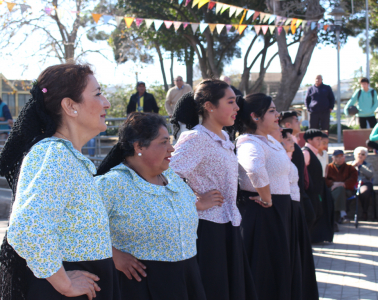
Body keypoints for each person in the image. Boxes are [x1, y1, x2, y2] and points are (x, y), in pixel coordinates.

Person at [0, 64, 120, 300]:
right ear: (70, 106)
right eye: (97, 94)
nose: (106, 102)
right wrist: (64, 284)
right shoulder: (56, 155)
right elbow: (27, 227)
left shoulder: (66, 156)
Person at [95, 113, 206, 300]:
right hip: (140, 285)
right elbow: (79, 227)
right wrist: (113, 255)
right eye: (163, 142)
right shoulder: (112, 184)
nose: (171, 149)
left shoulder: (171, 178)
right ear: (139, 146)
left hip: (186, 278)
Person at [170, 79, 257, 300]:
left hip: (228, 224)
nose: (237, 108)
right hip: (207, 228)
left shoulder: (225, 137)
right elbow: (166, 176)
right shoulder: (196, 137)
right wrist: (196, 201)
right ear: (209, 106)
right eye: (230, 102)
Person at [234, 94, 294, 300]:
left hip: (277, 212)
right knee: (265, 274)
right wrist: (267, 198)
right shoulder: (248, 141)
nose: (277, 114)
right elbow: (254, 168)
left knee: (277, 270)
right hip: (263, 213)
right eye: (271, 111)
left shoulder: (268, 140)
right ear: (255, 116)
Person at [281, 128, 319, 300]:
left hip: (296, 204)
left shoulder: (290, 156)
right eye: (289, 139)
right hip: (289, 206)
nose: (293, 142)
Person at [280, 111, 317, 229]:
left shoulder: (294, 143)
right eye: (296, 120)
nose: (299, 123)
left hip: (300, 190)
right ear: (287, 125)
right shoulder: (285, 144)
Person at [326, 150, 358, 224]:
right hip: (331, 189)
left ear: (344, 157)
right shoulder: (328, 168)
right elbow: (324, 180)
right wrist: (332, 184)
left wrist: (343, 184)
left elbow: (353, 179)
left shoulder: (350, 168)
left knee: (340, 190)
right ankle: (342, 214)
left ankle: (334, 217)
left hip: (347, 190)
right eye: (337, 157)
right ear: (332, 158)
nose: (339, 159)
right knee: (338, 191)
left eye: (341, 157)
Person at [303, 129, 324, 224]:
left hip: (315, 192)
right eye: (317, 139)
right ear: (309, 140)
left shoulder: (314, 152)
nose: (320, 141)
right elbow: (301, 172)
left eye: (321, 139)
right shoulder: (306, 153)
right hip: (309, 192)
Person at [350, 147, 374, 221]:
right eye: (359, 154)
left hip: (364, 183)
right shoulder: (350, 164)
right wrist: (352, 167)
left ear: (365, 156)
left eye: (363, 154)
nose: (360, 155)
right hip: (352, 183)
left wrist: (360, 166)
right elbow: (345, 174)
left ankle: (364, 211)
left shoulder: (368, 165)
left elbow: (370, 175)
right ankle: (343, 214)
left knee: (364, 192)